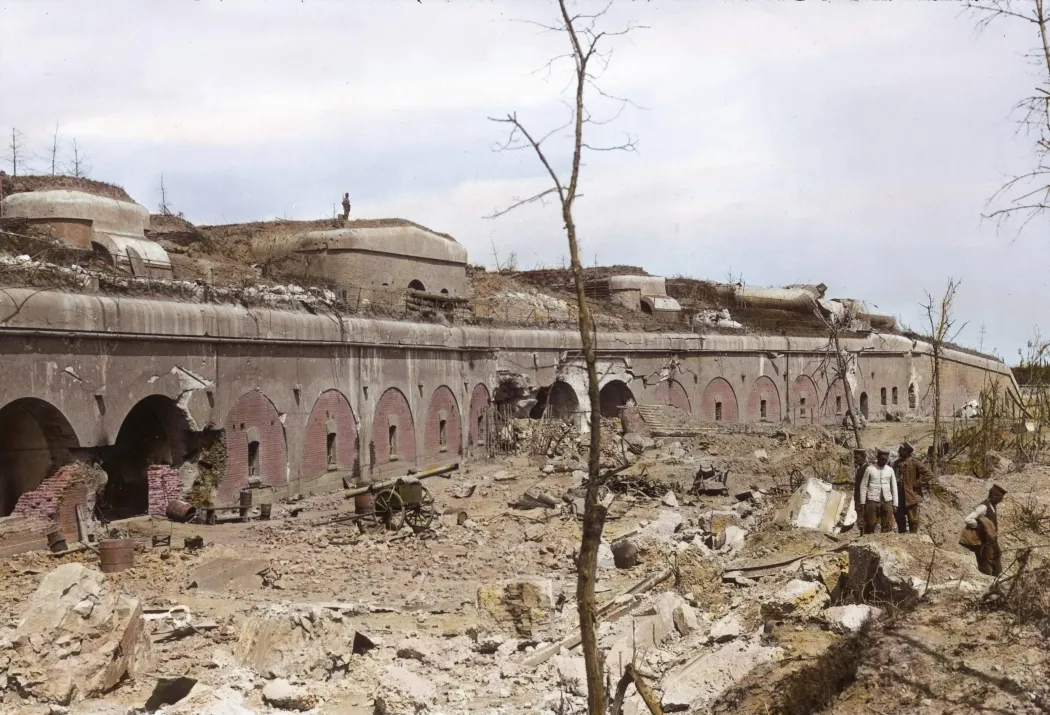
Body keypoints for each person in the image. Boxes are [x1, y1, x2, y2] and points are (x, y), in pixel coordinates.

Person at [964, 484, 1006, 576]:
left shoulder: (992, 506)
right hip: (984, 543)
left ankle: (996, 581)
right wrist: (980, 527)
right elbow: (968, 519)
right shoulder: (983, 507)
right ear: (994, 496)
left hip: (992, 541)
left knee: (997, 557)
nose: (1001, 501)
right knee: (986, 564)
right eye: (1000, 498)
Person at [895, 442, 933, 534]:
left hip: (910, 496)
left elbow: (929, 474)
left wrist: (916, 484)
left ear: (906, 451)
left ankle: (913, 538)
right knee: (899, 518)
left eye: (901, 449)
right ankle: (902, 538)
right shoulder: (897, 463)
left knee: (913, 519)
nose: (899, 451)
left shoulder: (914, 463)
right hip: (899, 496)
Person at [859, 449, 898, 534]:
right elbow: (863, 485)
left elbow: (894, 487)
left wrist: (895, 503)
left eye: (885, 460)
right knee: (870, 523)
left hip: (887, 500)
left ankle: (884, 543)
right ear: (878, 458)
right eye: (882, 459)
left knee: (887, 524)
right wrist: (862, 502)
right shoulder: (870, 469)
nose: (883, 461)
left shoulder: (890, 470)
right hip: (872, 500)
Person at [852, 448, 867, 515]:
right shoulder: (859, 469)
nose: (855, 460)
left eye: (857, 458)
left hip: (864, 499)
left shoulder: (867, 469)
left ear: (863, 457)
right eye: (854, 458)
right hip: (858, 498)